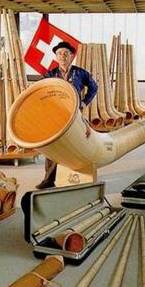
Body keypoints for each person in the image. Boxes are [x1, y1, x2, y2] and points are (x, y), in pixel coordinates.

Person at [36, 41, 98, 189]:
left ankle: (77, 177)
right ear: (56, 57)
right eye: (59, 54)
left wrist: (85, 102)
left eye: (66, 54)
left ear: (71, 56)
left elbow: (94, 87)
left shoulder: (80, 73)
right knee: (53, 145)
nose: (62, 56)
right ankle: (48, 179)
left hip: (75, 114)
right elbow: (40, 90)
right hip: (56, 115)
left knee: (77, 144)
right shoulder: (50, 74)